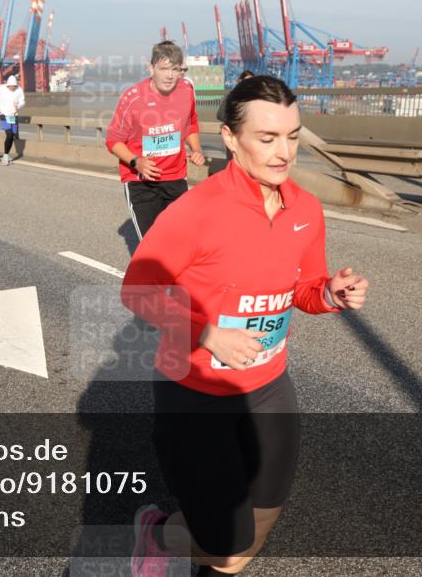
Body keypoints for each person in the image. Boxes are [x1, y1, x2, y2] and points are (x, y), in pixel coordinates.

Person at [121, 75, 369, 576]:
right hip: (194, 390)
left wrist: (328, 293)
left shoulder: (306, 209)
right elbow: (138, 291)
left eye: (293, 137)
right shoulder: (196, 211)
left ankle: (195, 546)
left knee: (263, 516)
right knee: (228, 550)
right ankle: (157, 534)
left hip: (268, 383)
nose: (284, 152)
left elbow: (303, 287)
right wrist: (208, 333)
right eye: (267, 138)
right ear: (231, 140)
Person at [106, 40, 205, 242]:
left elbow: (191, 123)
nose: (169, 75)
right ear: (151, 68)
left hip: (176, 178)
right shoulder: (133, 97)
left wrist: (196, 149)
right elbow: (113, 140)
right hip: (141, 182)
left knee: (180, 241)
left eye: (175, 69)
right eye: (164, 69)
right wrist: (136, 161)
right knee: (153, 245)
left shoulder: (186, 90)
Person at [0, 74, 25, 165]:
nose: (13, 88)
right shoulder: (1, 88)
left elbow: (23, 101)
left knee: (12, 135)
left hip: (14, 115)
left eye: (14, 86)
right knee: (9, 134)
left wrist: (19, 105)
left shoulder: (19, 90)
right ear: (8, 85)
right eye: (11, 86)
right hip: (4, 114)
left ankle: (7, 154)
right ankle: (5, 156)